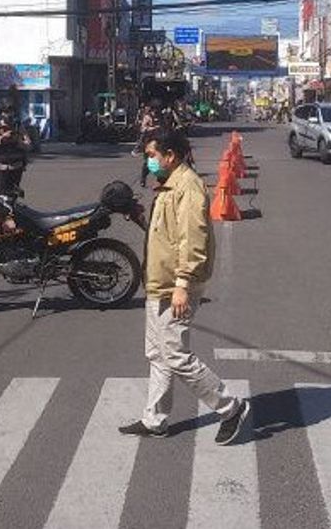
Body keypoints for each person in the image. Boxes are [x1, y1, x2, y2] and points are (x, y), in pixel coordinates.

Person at [118, 129, 250, 444]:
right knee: (157, 353)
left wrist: (182, 284)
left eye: (152, 155)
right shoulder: (169, 184)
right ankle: (155, 420)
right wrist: (139, 218)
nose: (149, 161)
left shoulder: (188, 186)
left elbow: (193, 240)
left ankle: (230, 407)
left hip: (176, 284)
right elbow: (167, 233)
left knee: (175, 353)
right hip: (159, 282)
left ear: (170, 156)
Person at [0, 108, 31, 196]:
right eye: (6, 112)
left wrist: (18, 141)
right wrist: (1, 139)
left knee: (13, 195)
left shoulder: (18, 126)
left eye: (10, 112)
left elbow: (28, 144)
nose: (8, 115)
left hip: (16, 166)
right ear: (1, 113)